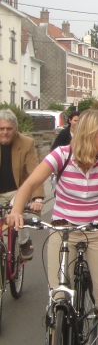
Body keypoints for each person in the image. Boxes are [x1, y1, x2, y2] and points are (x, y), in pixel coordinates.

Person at [7, 109, 98, 345]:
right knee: (57, 296)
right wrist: (16, 211)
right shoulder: (62, 155)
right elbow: (31, 183)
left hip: (97, 231)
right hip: (62, 231)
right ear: (89, 133)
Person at [0, 109, 44, 260]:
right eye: (1, 128)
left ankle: (24, 242)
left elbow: (35, 172)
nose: (5, 132)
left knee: (17, 210)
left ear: (16, 129)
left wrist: (37, 198)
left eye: (9, 128)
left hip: (17, 190)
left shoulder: (26, 143)